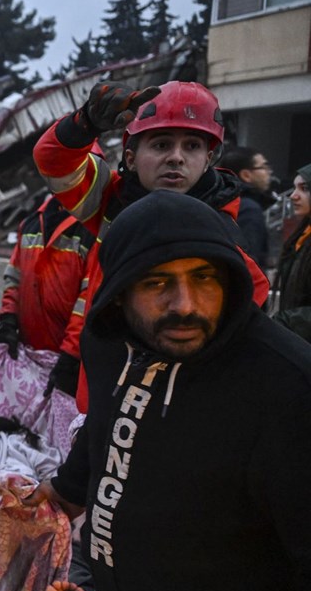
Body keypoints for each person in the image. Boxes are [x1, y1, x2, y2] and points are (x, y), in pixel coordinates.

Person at [24, 190, 311, 591]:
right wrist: (66, 488)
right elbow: (106, 422)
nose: (185, 305)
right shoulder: (110, 342)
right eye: (157, 282)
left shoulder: (285, 383)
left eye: (204, 278)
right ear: (118, 291)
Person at [34, 80, 269, 406]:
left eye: (192, 146)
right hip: (103, 400)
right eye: (160, 145)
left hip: (170, 412)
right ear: (130, 158)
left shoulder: (224, 240)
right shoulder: (108, 200)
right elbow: (52, 158)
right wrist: (85, 123)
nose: (176, 158)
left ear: (208, 159)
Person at [0, 195, 93, 359]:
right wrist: (8, 320)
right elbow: (14, 277)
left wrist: (71, 354)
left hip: (71, 357)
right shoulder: (30, 224)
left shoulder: (91, 230)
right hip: (29, 352)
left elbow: (89, 298)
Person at [220, 145, 275, 270]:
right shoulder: (250, 208)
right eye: (264, 167)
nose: (269, 172)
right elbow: (249, 259)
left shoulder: (220, 200)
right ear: (246, 175)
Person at [273, 163, 311, 341]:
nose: (293, 196)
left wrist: (284, 323)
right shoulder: (302, 233)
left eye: (304, 188)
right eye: (295, 188)